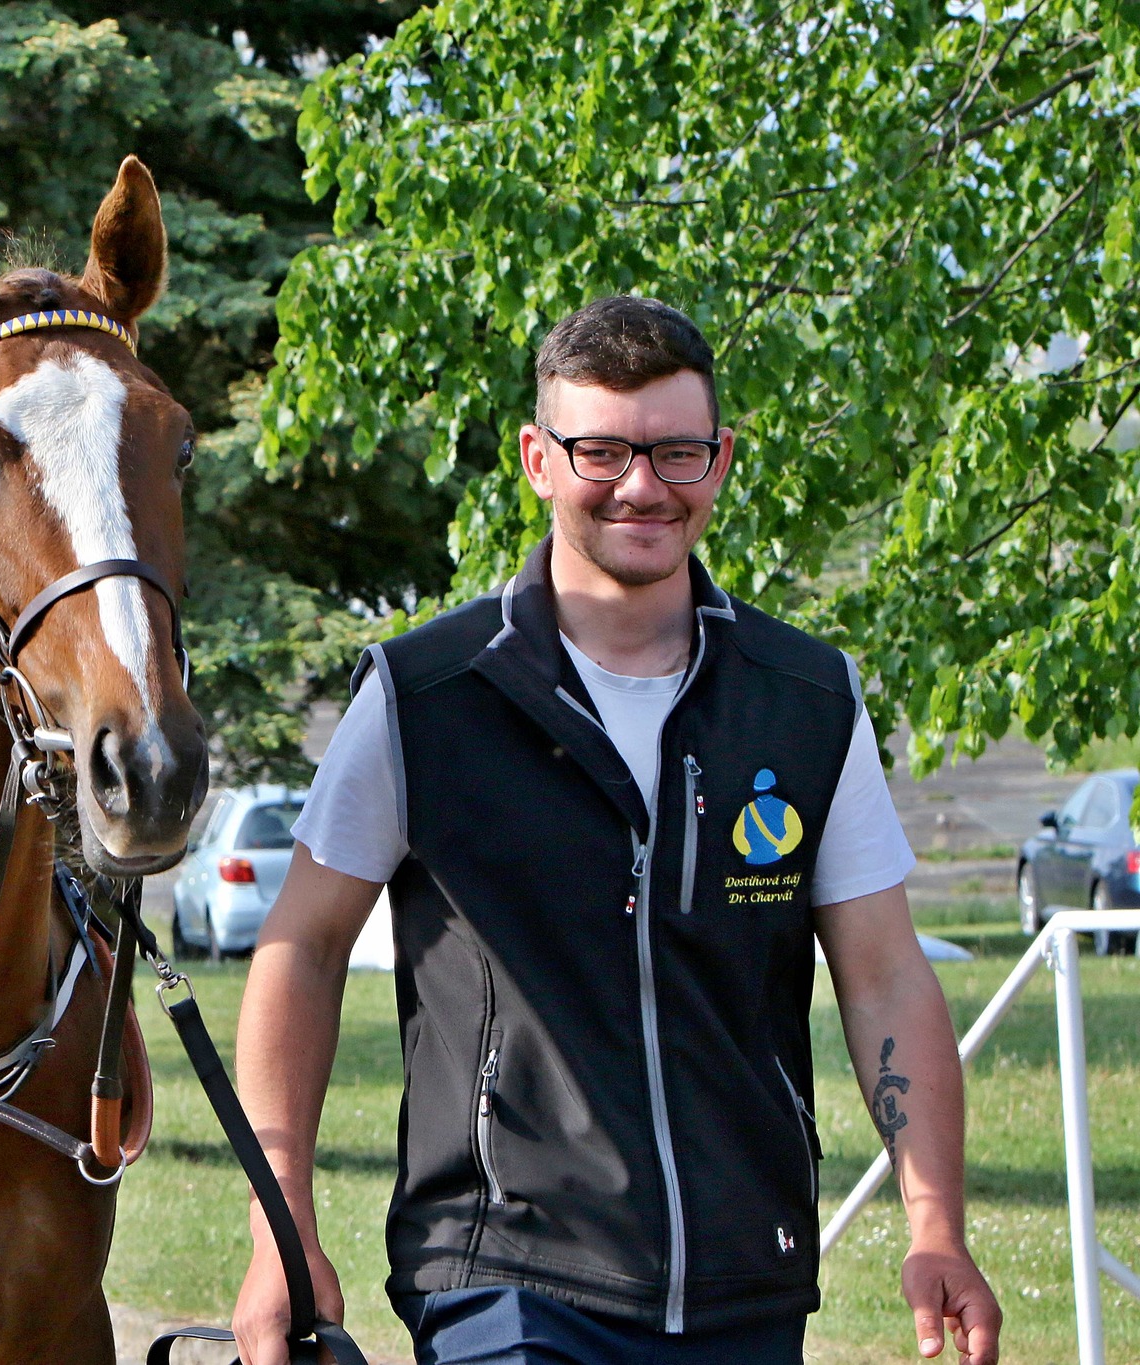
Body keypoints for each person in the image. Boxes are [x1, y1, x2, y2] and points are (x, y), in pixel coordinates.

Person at [230, 297, 1002, 1365]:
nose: (640, 487)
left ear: (720, 461)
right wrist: (282, 1230)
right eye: (600, 451)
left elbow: (882, 974)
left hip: (746, 1277)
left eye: (675, 452)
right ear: (537, 460)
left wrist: (935, 1227)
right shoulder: (425, 696)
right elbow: (299, 950)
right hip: (503, 1275)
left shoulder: (806, 699)